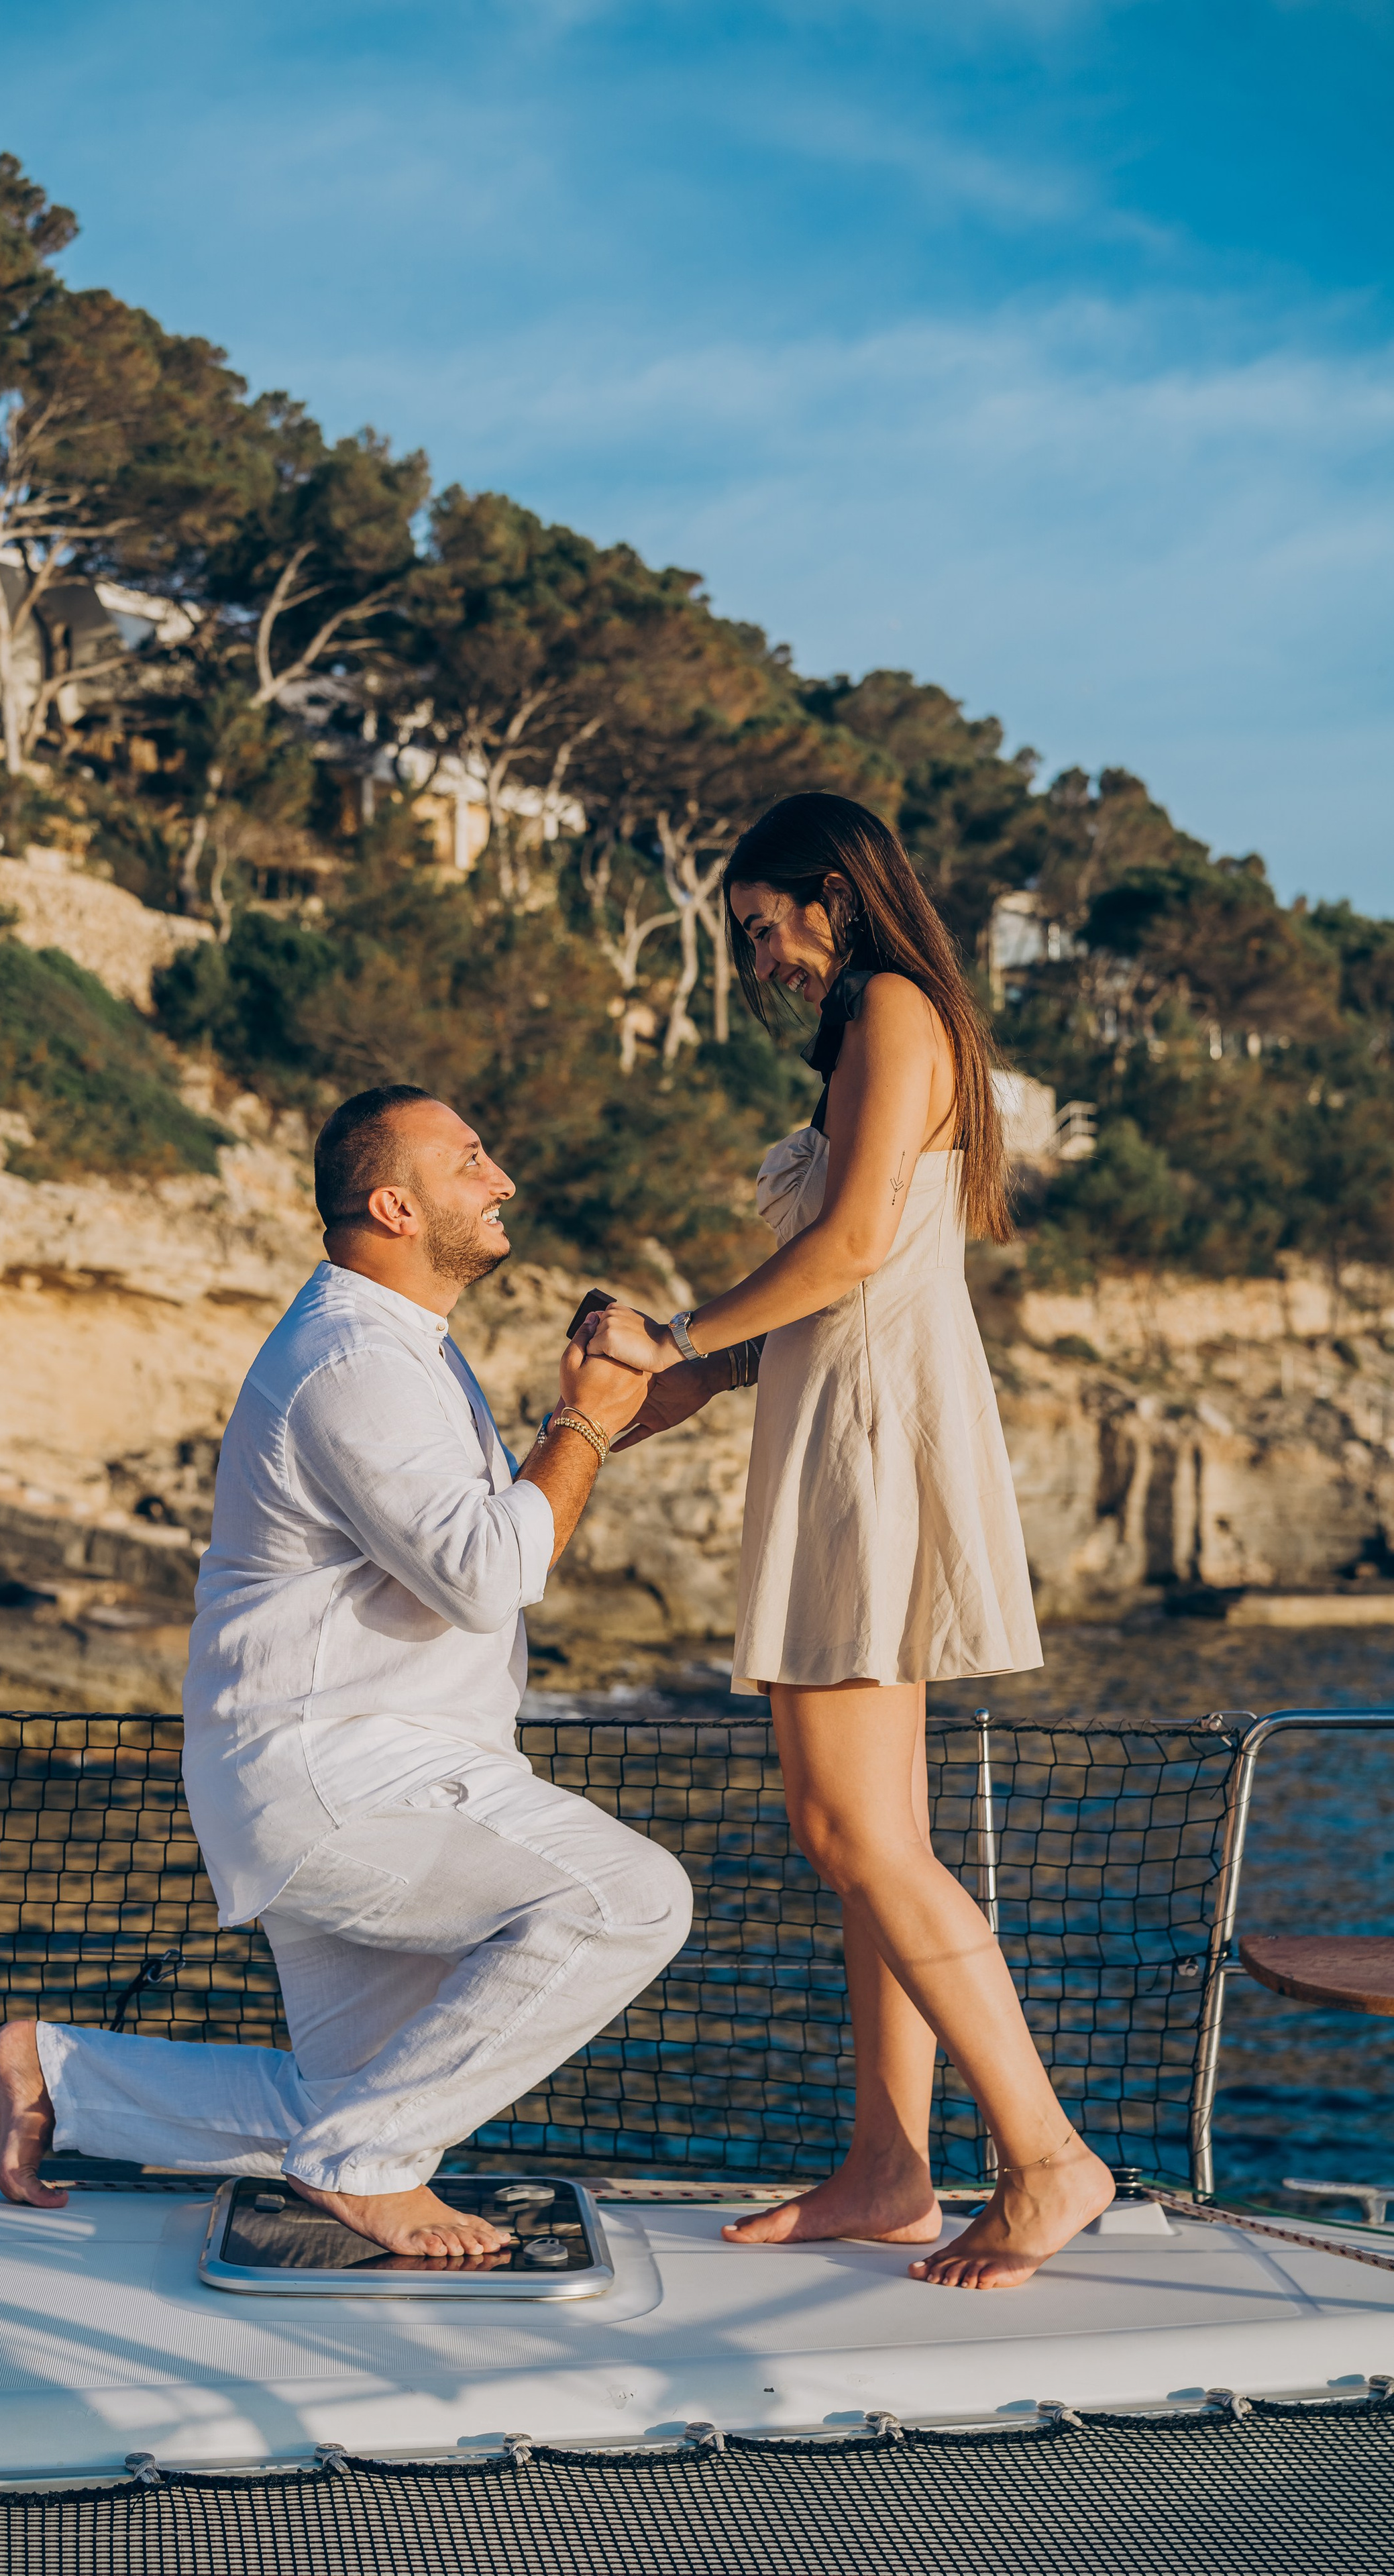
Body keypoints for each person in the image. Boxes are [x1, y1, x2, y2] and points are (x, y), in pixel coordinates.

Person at [0, 1084, 689, 2257]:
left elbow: (482, 1527)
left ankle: (66, 2078)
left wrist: (670, 1391)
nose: (501, 1178)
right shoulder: (353, 1359)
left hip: (349, 1768)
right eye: (472, 1161)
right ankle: (364, 2165)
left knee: (349, 2107)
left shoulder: (394, 1346)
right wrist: (581, 1423)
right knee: (630, 1899)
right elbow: (484, 1572)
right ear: (395, 1204)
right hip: (346, 1780)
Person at [584, 793, 1115, 2290]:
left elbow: (854, 1249)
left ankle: (1046, 2156)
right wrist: (668, 1385)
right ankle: (888, 2168)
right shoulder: (883, 1023)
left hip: (867, 1445)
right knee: (872, 1845)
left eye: (764, 928)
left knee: (849, 1834)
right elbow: (824, 1290)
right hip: (849, 1422)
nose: (761, 961)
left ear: (832, 896)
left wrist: (672, 1326)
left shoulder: (891, 1006)